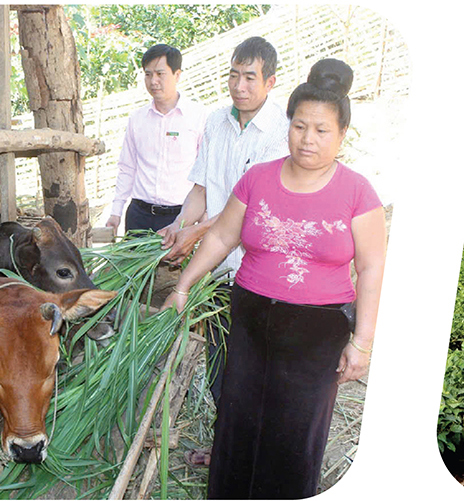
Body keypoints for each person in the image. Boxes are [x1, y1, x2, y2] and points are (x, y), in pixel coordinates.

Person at [165, 59, 384, 499]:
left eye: (322, 130)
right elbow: (223, 236)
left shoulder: (358, 192)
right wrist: (183, 285)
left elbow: (372, 268)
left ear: (342, 135)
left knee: (297, 426)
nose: (309, 139)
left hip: (318, 329)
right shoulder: (258, 179)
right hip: (249, 317)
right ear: (288, 126)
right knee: (238, 414)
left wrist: (361, 342)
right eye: (300, 126)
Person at [158, 36, 288, 429]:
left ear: (271, 82)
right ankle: (225, 441)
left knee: (253, 367)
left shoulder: (280, 132)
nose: (239, 86)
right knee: (219, 363)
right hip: (216, 274)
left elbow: (245, 208)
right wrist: (179, 225)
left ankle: (247, 445)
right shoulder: (216, 121)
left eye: (250, 77)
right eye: (233, 75)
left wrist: (196, 232)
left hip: (257, 273)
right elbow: (201, 187)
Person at [105, 43, 206, 234]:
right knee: (134, 265)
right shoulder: (137, 119)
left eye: (160, 74)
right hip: (139, 216)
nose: (153, 81)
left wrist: (201, 219)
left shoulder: (198, 117)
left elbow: (205, 175)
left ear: (177, 75)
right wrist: (116, 212)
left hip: (179, 218)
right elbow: (127, 167)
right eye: (148, 74)